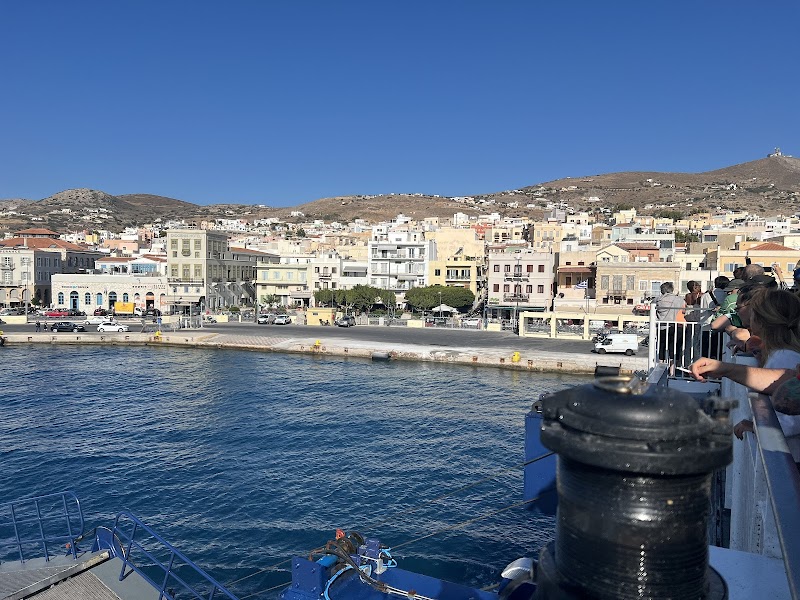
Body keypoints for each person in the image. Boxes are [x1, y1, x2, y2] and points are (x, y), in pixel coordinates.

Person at [728, 289, 800, 462]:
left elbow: (793, 420)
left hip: (791, 460)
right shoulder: (782, 353)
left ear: (762, 319)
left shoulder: (784, 356)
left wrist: (757, 427)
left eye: (753, 313)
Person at [656, 282, 686, 369]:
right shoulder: (679, 299)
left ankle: (660, 368)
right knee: (673, 347)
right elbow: (684, 309)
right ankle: (672, 371)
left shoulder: (658, 300)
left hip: (662, 326)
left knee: (661, 347)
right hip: (674, 326)